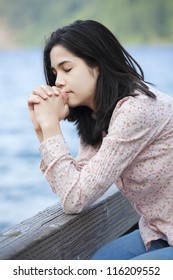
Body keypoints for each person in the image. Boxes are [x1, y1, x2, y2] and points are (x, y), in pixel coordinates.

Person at [28, 19, 173, 260]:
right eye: (54, 74)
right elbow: (72, 188)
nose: (58, 82)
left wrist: (51, 126)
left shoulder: (135, 110)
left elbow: (75, 199)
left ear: (97, 65)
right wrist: (41, 129)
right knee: (100, 262)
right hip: (159, 229)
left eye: (67, 69)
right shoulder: (101, 115)